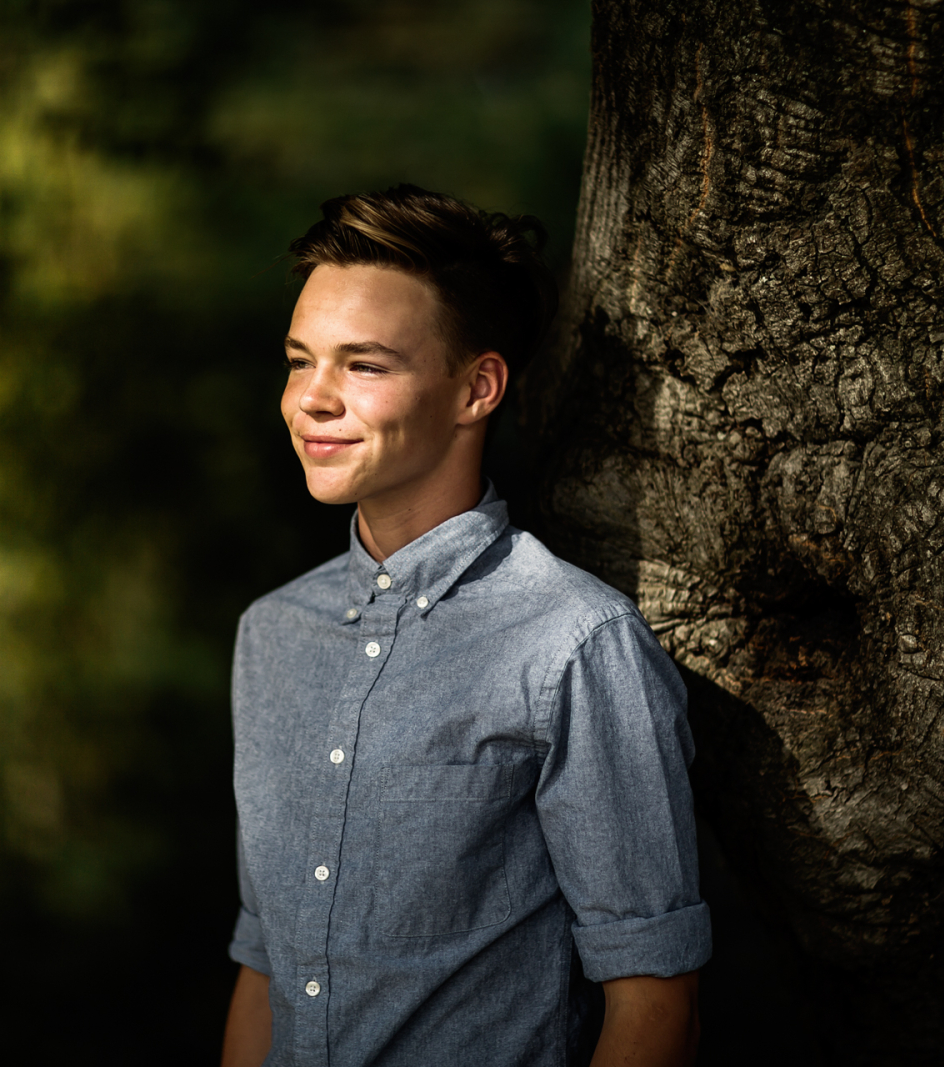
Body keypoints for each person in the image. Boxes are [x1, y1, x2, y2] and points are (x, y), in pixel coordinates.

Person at [221, 185, 710, 1067]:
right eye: (300, 361)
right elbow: (264, 964)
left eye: (363, 365)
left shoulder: (574, 643)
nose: (312, 400)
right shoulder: (270, 635)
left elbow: (653, 1000)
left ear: (477, 387)